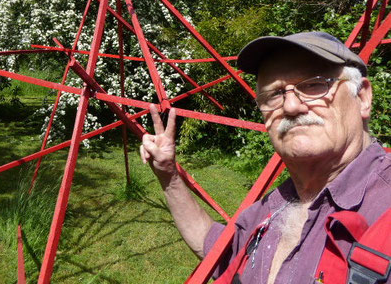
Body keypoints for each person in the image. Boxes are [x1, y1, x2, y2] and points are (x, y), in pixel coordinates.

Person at [140, 31, 391, 284]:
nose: (291, 107)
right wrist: (168, 175)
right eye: (274, 94)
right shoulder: (270, 208)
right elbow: (218, 253)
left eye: (314, 84)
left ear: (362, 98)